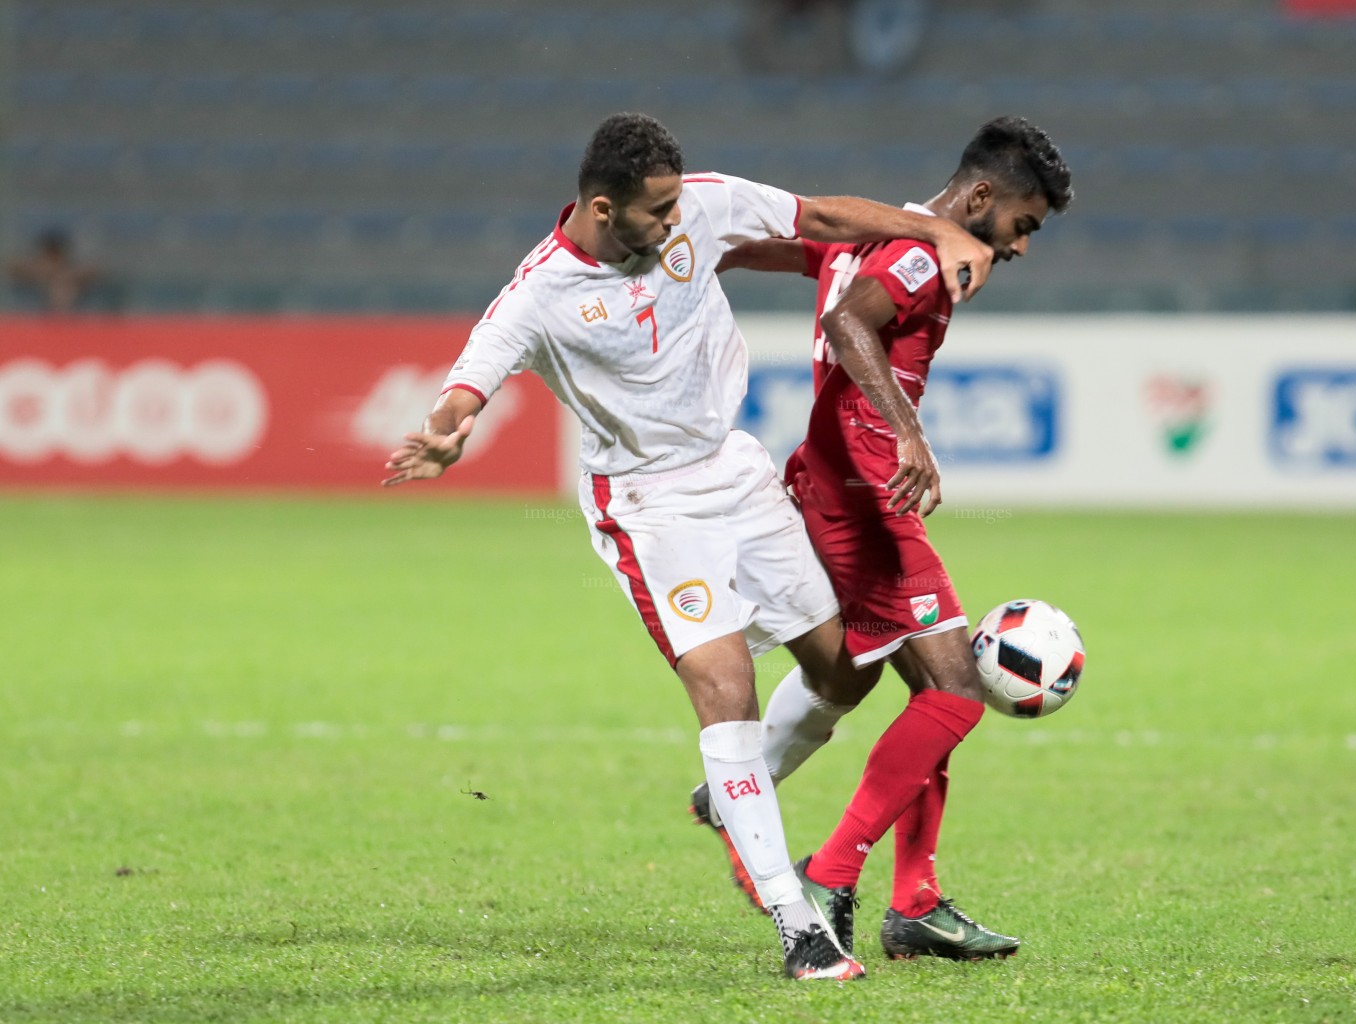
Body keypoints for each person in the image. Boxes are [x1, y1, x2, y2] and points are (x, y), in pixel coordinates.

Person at [381, 112, 995, 981]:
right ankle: (798, 924)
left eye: (676, 205)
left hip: (734, 472)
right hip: (648, 507)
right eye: (656, 213)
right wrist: (448, 435)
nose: (676, 225)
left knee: (845, 671)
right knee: (726, 689)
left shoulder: (698, 206)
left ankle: (732, 797)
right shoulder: (538, 293)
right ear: (603, 207)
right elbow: (467, 387)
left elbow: (818, 219)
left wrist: (931, 227)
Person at [693, 116, 1074, 961]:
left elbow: (782, 254)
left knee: (926, 693)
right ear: (979, 197)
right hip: (866, 496)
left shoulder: (873, 236)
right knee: (956, 690)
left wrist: (695, 255)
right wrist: (909, 431)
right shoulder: (914, 256)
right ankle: (832, 872)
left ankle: (917, 900)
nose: (1018, 245)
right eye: (1022, 223)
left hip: (837, 482)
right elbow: (849, 326)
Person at [7, 228, 100, 313]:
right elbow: (12, 267)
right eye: (50, 258)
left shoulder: (71, 273)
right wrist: (41, 272)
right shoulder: (35, 273)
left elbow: (96, 270)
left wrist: (63, 274)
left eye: (55, 258)